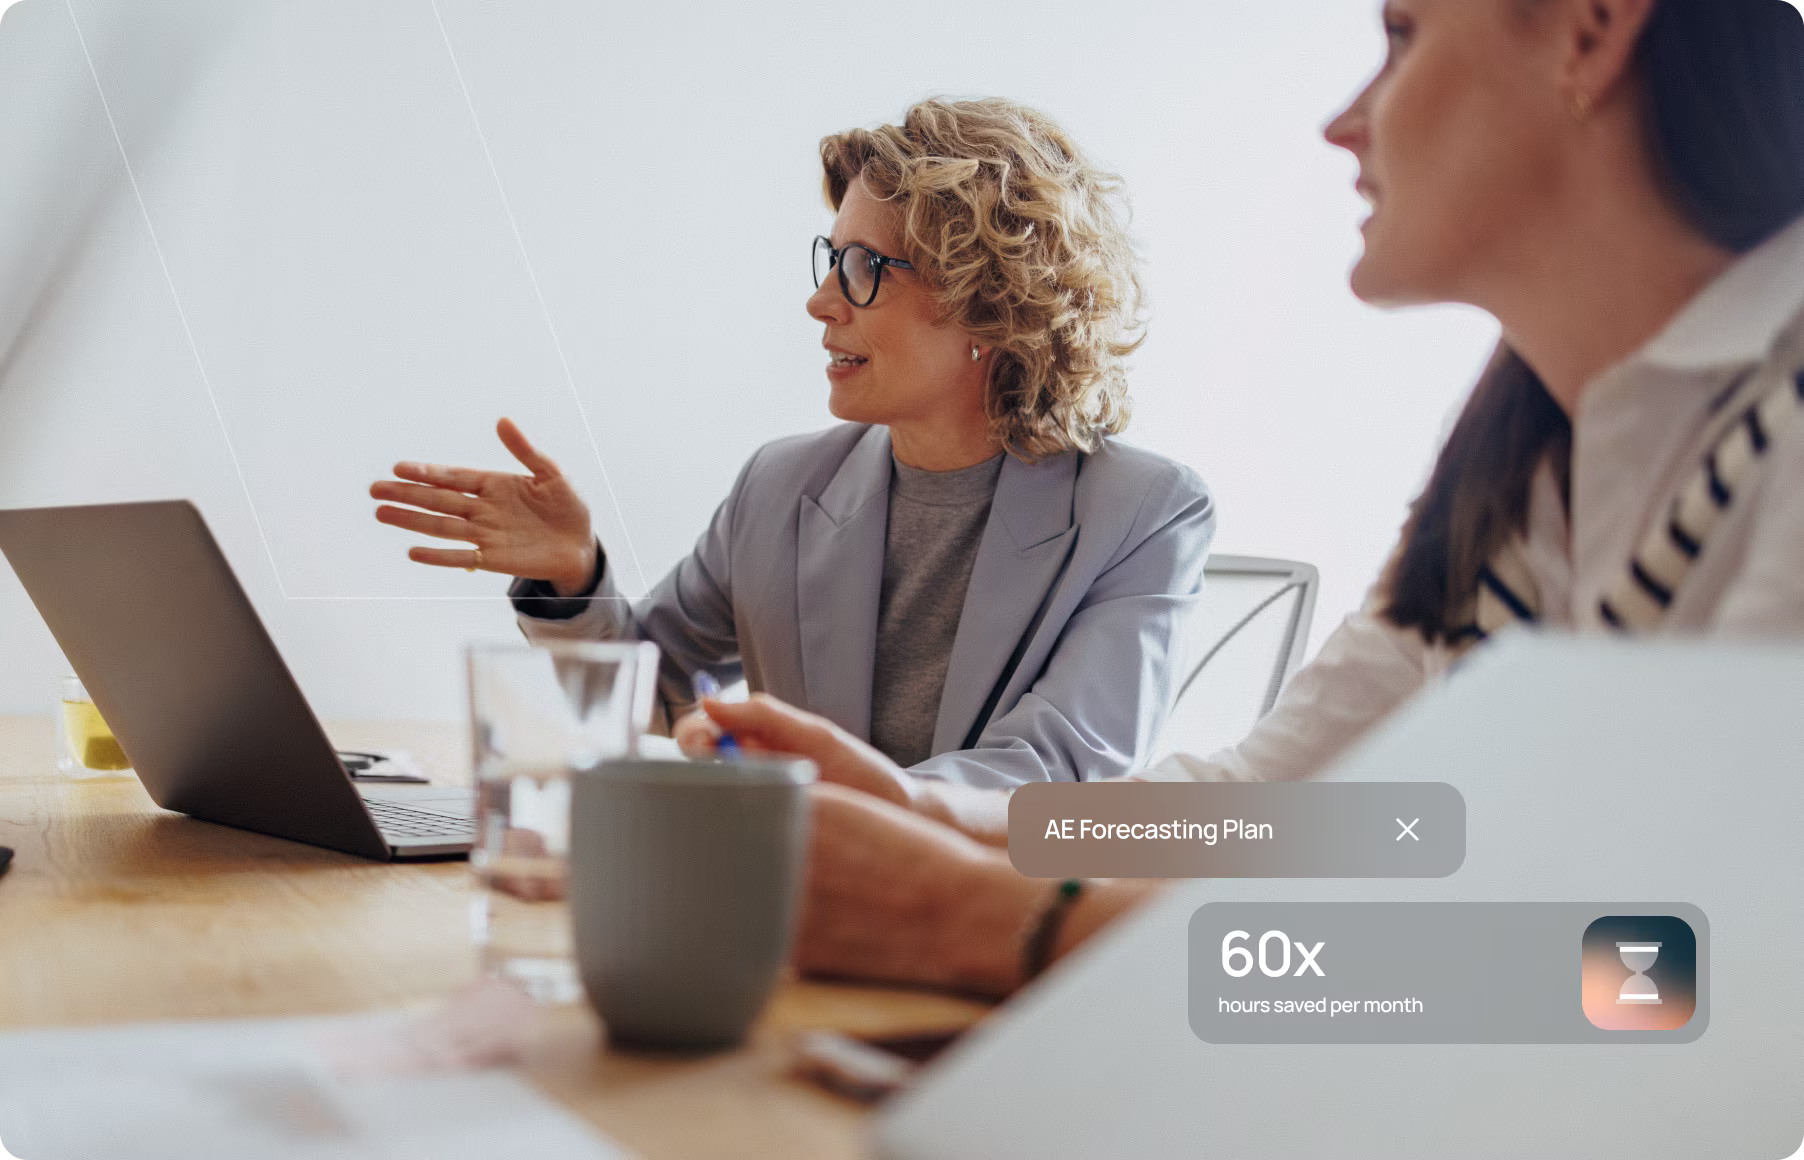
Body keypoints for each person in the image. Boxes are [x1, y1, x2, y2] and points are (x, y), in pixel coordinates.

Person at [681, 0, 1804, 997]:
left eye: (1402, 34)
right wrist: (919, 809)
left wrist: (979, 919)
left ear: (1590, 28)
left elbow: (1679, 981)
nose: (1341, 123)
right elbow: (1260, 803)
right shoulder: (1522, 464)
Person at [371, 98, 1214, 789]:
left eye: (865, 268)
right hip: (794, 903)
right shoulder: (781, 485)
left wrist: (819, 794)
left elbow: (1059, 775)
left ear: (989, 303)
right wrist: (571, 576)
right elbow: (649, 690)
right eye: (831, 259)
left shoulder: (1143, 512)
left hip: (988, 916)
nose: (822, 302)